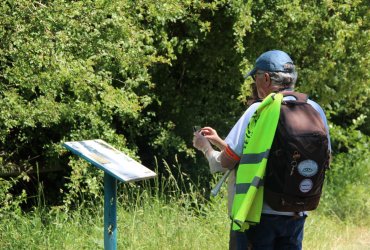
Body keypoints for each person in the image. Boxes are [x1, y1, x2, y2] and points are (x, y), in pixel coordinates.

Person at [193, 50, 331, 250]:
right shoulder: (314, 109)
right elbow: (325, 158)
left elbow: (222, 164)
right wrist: (221, 142)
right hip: (296, 213)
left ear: (265, 78)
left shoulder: (259, 110)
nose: (254, 84)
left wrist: (205, 147)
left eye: (255, 77)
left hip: (256, 217)